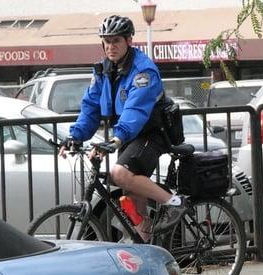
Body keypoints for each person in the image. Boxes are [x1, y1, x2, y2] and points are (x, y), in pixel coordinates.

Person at [60, 14, 184, 240]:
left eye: (116, 40)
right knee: (133, 200)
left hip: (152, 133)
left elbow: (135, 110)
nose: (110, 46)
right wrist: (75, 136)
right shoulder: (104, 70)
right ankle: (147, 249)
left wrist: (117, 138)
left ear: (129, 41)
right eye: (106, 41)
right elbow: (90, 106)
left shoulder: (143, 71)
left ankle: (174, 202)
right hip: (128, 135)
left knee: (120, 173)